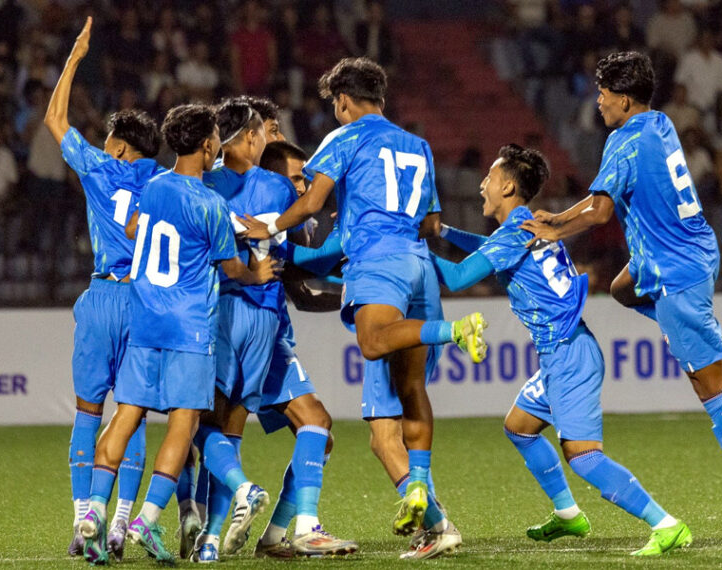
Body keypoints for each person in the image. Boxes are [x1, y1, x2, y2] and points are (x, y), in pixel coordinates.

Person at [522, 51, 722, 544]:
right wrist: (558, 219)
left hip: (674, 272)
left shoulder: (623, 140)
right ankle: (712, 336)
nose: (597, 102)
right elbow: (603, 198)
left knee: (711, 389)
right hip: (688, 251)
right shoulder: (658, 123)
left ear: (622, 97)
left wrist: (556, 230)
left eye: (602, 94)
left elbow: (599, 213)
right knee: (621, 287)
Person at [242, 57, 486, 553]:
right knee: (412, 390)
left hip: (379, 268)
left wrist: (268, 227)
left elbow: (311, 205)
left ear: (345, 102)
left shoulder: (345, 137)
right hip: (419, 265)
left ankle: (454, 333)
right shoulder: (417, 145)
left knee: (375, 366)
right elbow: (431, 223)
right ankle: (425, 502)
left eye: (336, 104)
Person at [432, 144, 692, 556]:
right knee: (519, 426)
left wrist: (405, 250)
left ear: (509, 186)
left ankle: (666, 524)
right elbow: (488, 250)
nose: (482, 185)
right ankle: (569, 514)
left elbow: (461, 277)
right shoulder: (521, 227)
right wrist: (443, 233)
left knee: (583, 456)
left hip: (569, 356)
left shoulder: (514, 234)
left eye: (490, 178)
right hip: (565, 354)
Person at [76, 102, 275, 566]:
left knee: (125, 416)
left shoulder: (155, 186)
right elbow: (230, 268)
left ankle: (93, 514)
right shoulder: (210, 203)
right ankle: (145, 521)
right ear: (208, 146)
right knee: (182, 425)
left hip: (144, 321)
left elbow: (130, 228)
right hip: (189, 327)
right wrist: (257, 274)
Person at [191, 97, 356, 561]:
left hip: (216, 310)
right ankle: (289, 526)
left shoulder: (200, 183)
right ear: (251, 136)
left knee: (212, 425)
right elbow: (300, 262)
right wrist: (350, 240)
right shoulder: (276, 188)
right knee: (303, 424)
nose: (274, 135)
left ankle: (216, 532)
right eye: (268, 129)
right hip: (260, 319)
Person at [43, 19, 164, 560]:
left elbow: (55, 118)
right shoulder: (165, 182)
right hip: (145, 303)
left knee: (88, 414)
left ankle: (80, 526)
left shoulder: (98, 167)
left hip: (100, 299)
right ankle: (117, 528)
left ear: (117, 147)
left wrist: (75, 56)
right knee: (130, 415)